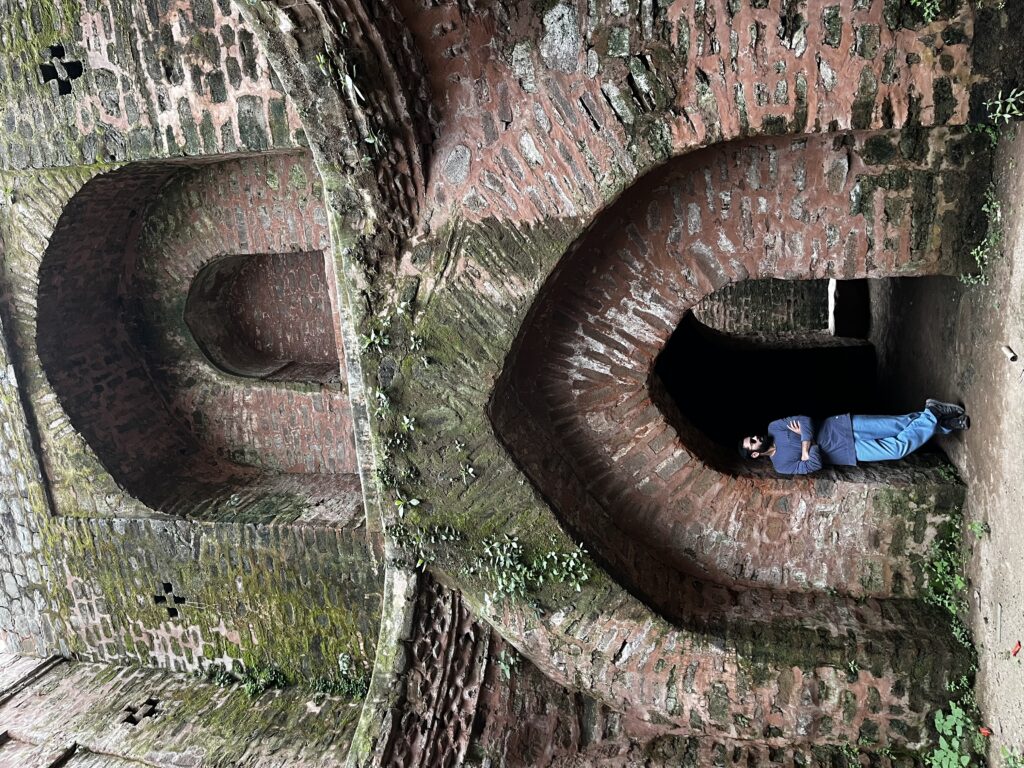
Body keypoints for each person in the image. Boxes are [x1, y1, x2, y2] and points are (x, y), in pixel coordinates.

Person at [739, 399, 969, 475]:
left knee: (900, 423)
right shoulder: (781, 465)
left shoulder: (774, 428)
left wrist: (806, 448)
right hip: (848, 453)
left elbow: (806, 420)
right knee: (898, 449)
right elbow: (815, 465)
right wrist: (807, 443)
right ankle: (934, 413)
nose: (756, 437)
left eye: (752, 436)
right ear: (756, 453)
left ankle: (946, 422)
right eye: (753, 442)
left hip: (844, 426)